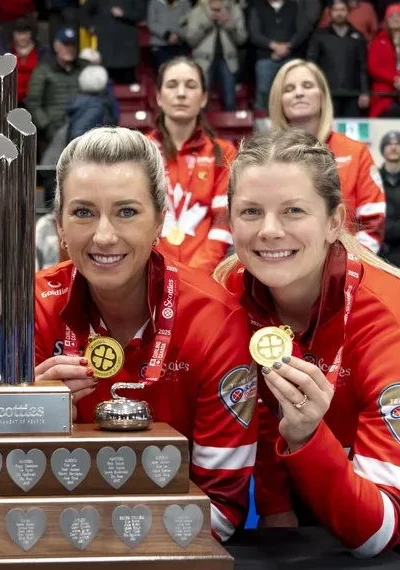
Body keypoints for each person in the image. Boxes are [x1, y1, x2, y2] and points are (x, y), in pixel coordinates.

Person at [215, 128, 400, 569]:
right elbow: (253, 406)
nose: (269, 231)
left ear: (335, 220)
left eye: (294, 210)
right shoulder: (230, 291)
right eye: (251, 212)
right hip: (309, 515)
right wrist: (277, 506)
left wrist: (306, 437)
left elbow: (377, 531)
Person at [33, 127, 256, 542]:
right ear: (59, 223)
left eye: (127, 212)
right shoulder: (30, 309)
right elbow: (3, 494)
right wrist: (29, 419)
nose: (103, 235)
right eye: (82, 212)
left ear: (160, 219)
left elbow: (222, 508)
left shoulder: (216, 320)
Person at [268, 59, 387, 254]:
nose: (298, 93)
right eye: (289, 88)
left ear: (322, 96)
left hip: (346, 267)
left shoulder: (356, 152)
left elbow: (372, 221)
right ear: (278, 100)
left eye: (307, 86)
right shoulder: (265, 157)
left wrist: (347, 268)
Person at [148, 57, 237, 274]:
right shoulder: (140, 150)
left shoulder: (224, 153)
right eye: (172, 85)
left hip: (205, 277)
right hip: (149, 275)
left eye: (190, 85)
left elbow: (223, 220)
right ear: (159, 97)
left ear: (204, 98)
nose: (181, 93)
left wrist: (196, 275)